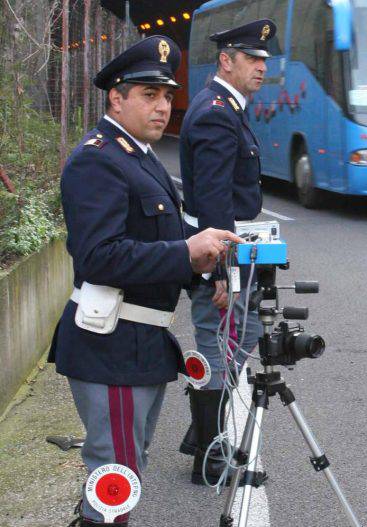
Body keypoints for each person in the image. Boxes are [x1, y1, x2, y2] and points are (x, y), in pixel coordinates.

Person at [48, 35, 243, 527]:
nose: (162, 108)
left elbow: (163, 237)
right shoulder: (98, 158)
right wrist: (184, 252)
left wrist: (202, 265)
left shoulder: (137, 154)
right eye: (148, 96)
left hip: (140, 343)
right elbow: (98, 257)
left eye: (166, 97)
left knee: (125, 469)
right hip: (111, 345)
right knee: (116, 476)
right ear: (116, 98)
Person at [178, 19, 276, 485]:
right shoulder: (217, 111)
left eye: (263, 61)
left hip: (227, 249)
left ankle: (203, 433)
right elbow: (214, 197)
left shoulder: (226, 107)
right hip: (218, 253)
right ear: (226, 61)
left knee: (244, 329)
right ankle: (209, 457)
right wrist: (220, 270)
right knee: (218, 345)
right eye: (252, 60)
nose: (261, 68)